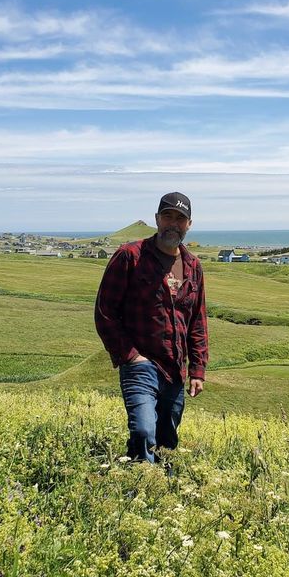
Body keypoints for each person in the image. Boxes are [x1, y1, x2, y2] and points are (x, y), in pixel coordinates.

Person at [94, 192, 208, 463]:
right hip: (141, 364)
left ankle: (159, 484)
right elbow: (105, 312)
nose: (173, 224)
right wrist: (131, 356)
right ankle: (140, 481)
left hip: (175, 369)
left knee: (167, 440)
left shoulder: (193, 266)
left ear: (189, 224)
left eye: (180, 218)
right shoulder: (130, 256)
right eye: (167, 216)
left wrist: (197, 369)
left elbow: (197, 321)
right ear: (157, 219)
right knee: (144, 431)